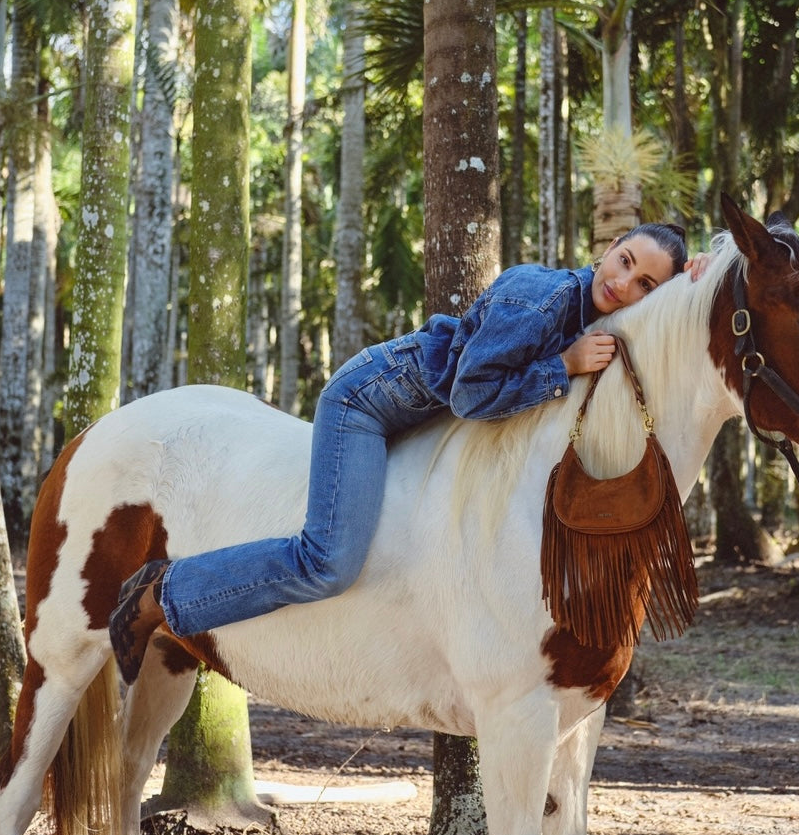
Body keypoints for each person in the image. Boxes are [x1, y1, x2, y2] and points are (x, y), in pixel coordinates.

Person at [110, 224, 705, 682]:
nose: (624, 283)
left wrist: (699, 276)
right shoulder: (543, 296)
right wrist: (563, 366)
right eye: (625, 261)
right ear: (609, 247)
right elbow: (473, 393)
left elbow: (681, 316)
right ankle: (164, 592)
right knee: (328, 561)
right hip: (369, 403)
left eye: (646, 284)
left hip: (419, 416)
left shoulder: (599, 314)